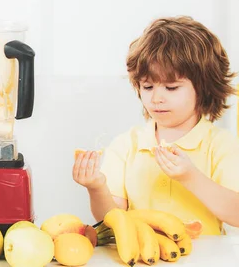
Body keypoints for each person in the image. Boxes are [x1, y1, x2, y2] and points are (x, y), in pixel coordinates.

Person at [73, 16, 239, 235]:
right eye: (148, 86)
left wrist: (190, 177)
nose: (156, 98)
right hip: (143, 254)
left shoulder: (220, 144)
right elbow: (111, 218)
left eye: (171, 88)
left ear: (205, 87)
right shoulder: (127, 145)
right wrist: (96, 187)